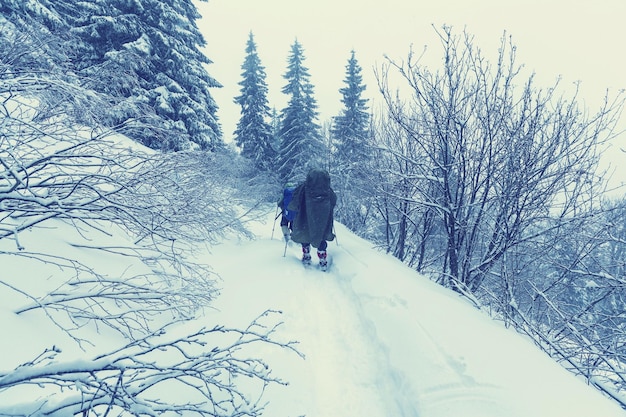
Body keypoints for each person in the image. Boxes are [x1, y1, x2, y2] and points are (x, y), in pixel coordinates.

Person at [286, 168, 337, 269]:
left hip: (304, 218)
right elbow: (333, 201)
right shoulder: (328, 190)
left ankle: (306, 256)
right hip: (323, 219)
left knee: (305, 234)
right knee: (321, 236)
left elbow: (293, 204)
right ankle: (322, 259)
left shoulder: (303, 188)